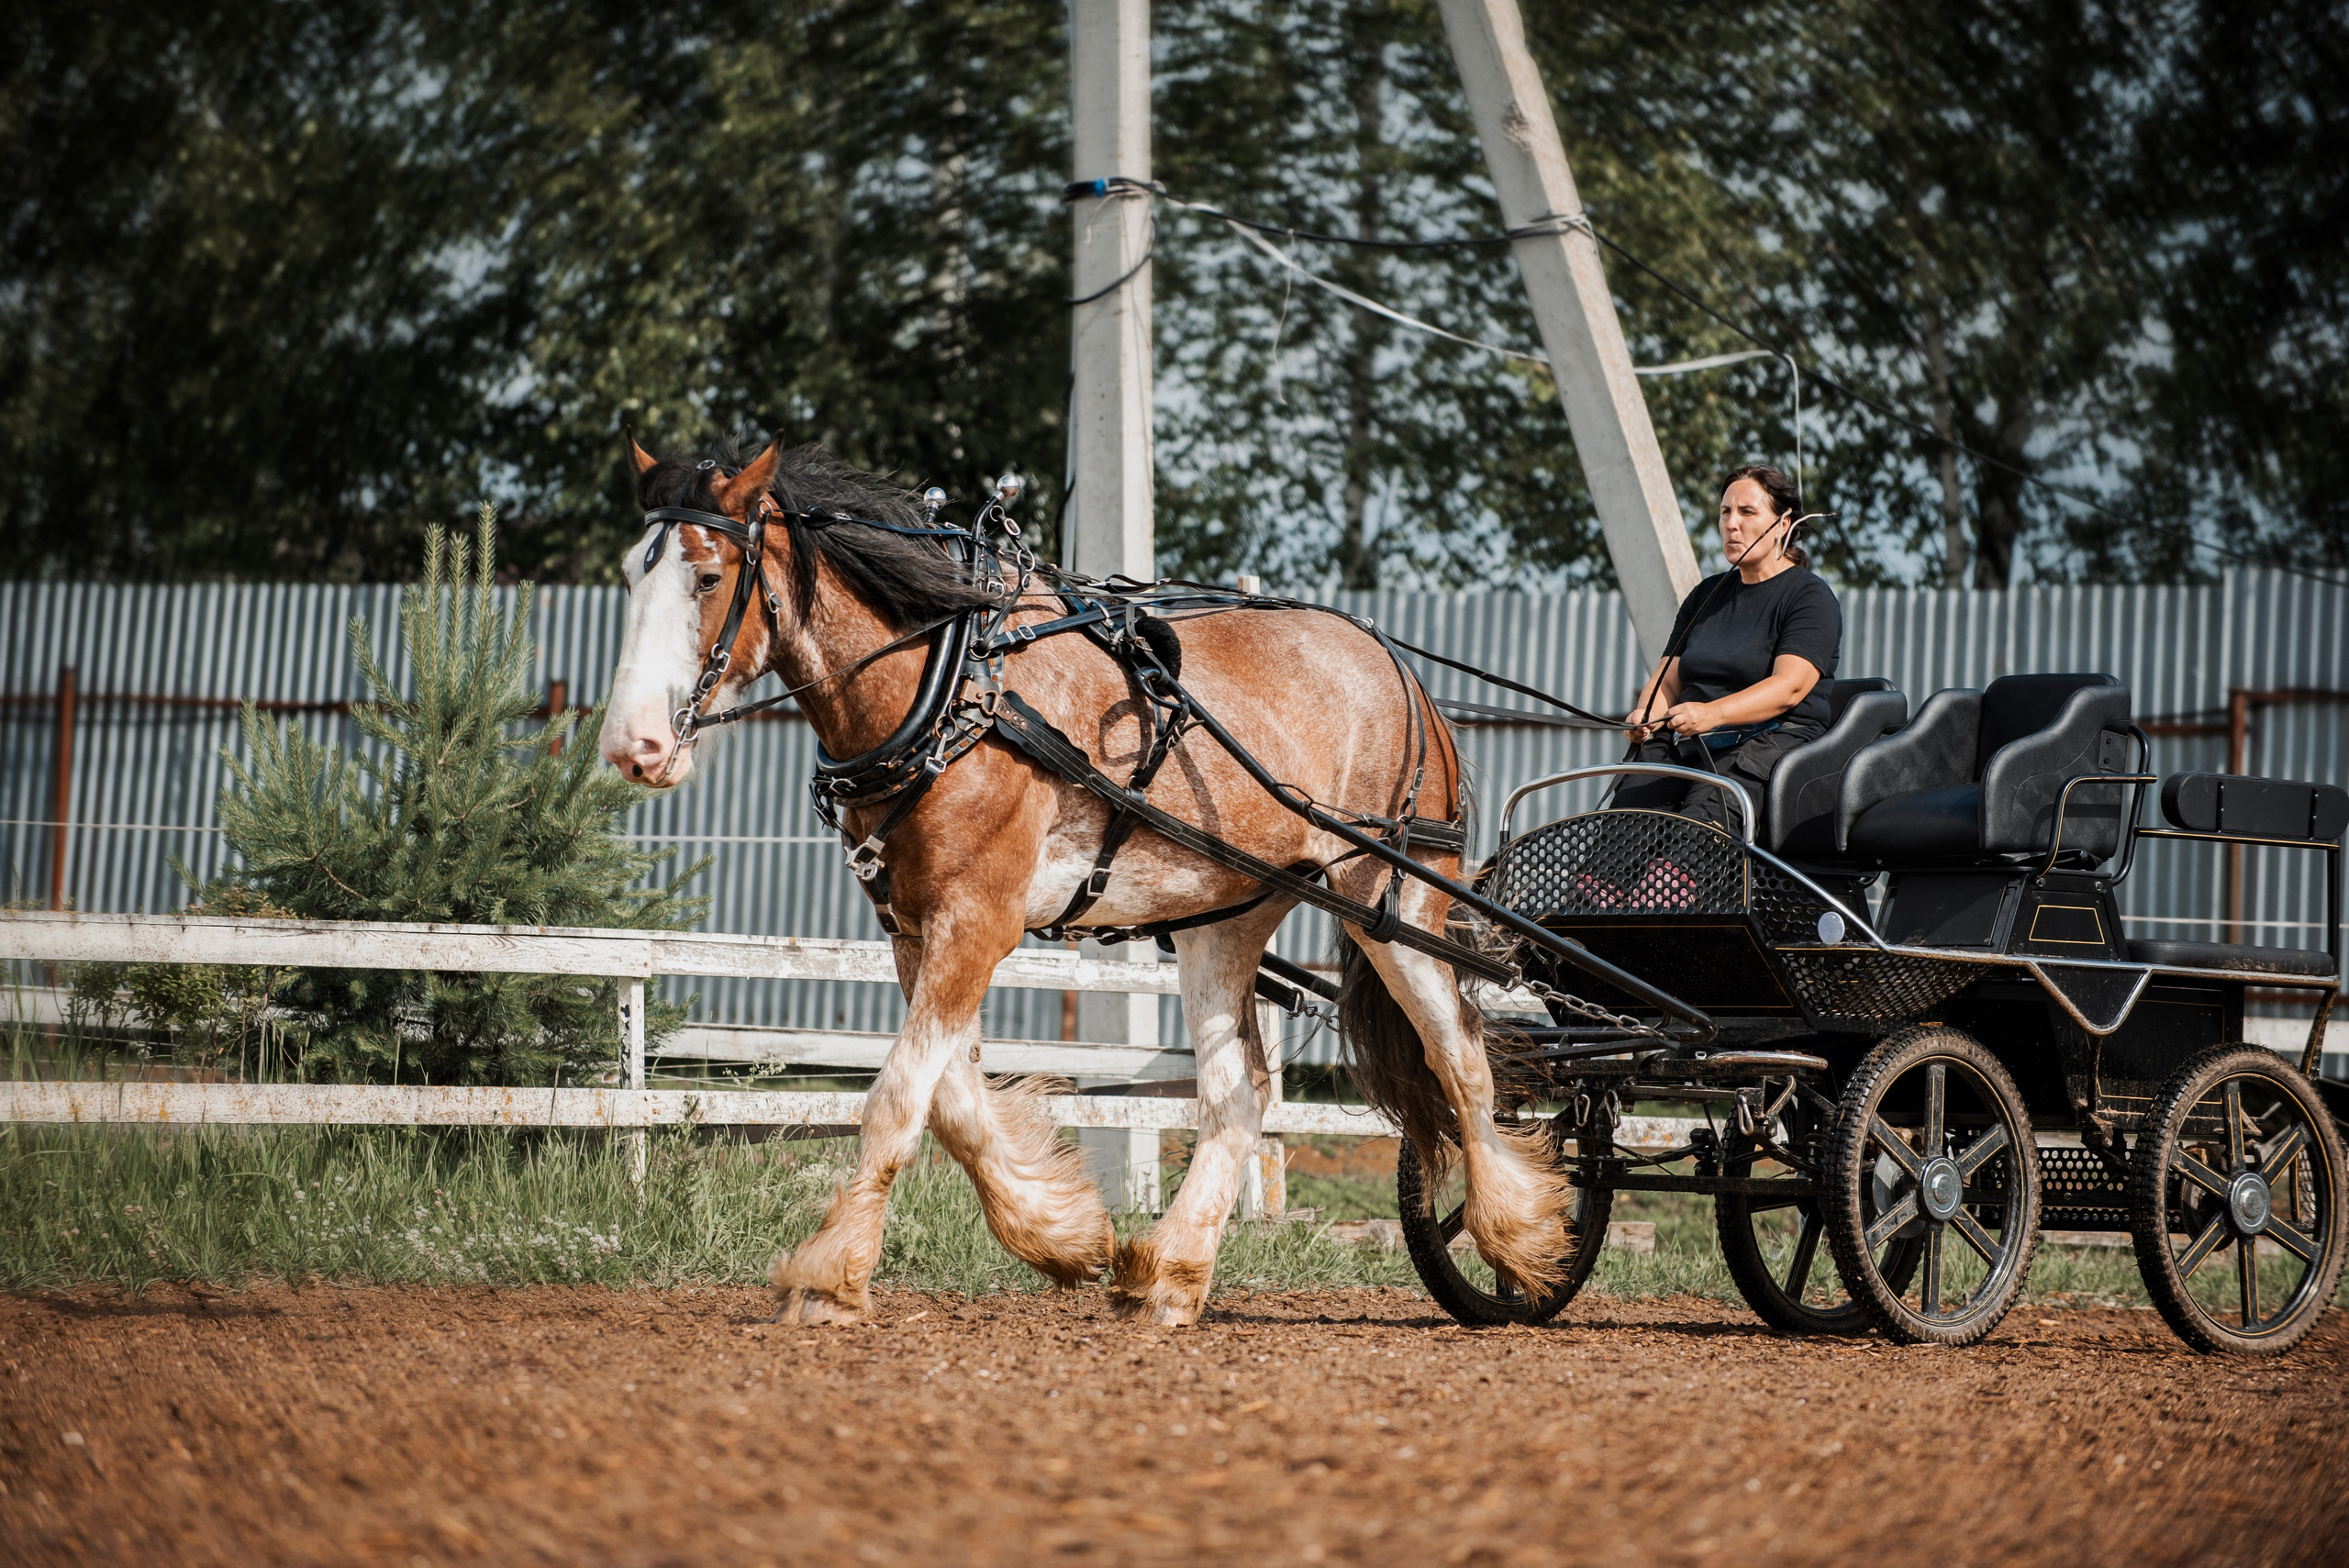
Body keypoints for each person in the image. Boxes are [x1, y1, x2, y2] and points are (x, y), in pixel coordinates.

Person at [1612, 463, 1841, 837]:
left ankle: (1677, 891)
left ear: (1783, 524)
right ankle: (1599, 894)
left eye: (1747, 512)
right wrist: (1645, 716)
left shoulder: (1808, 596)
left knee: (1695, 843)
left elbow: (1790, 688)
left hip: (1766, 746)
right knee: (1621, 834)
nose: (1732, 524)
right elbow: (1666, 684)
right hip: (1694, 746)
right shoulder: (1707, 595)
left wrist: (1711, 714)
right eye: (1725, 512)